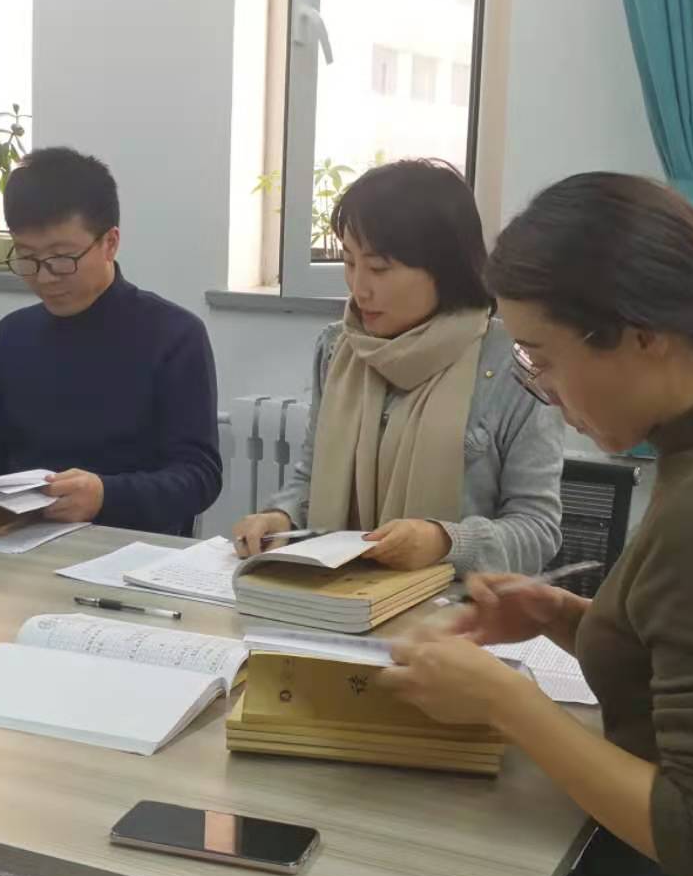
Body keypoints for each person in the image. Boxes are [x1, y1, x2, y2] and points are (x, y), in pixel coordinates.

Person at [379, 171, 693, 876]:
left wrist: (504, 701)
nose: (545, 392)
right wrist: (560, 616)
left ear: (643, 336)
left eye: (542, 359)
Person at [229, 158, 562, 575]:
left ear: (443, 268)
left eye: (378, 268)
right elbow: (310, 479)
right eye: (349, 262)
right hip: (336, 593)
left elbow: (537, 530)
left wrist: (446, 542)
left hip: (457, 605)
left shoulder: (514, 361)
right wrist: (281, 517)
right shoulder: (338, 348)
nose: (359, 288)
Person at [0, 147, 222, 536]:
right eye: (27, 258)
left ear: (110, 243)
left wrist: (106, 494)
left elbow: (199, 477)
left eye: (62, 258)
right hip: (17, 539)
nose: (45, 277)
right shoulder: (12, 336)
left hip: (126, 545)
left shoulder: (174, 336)